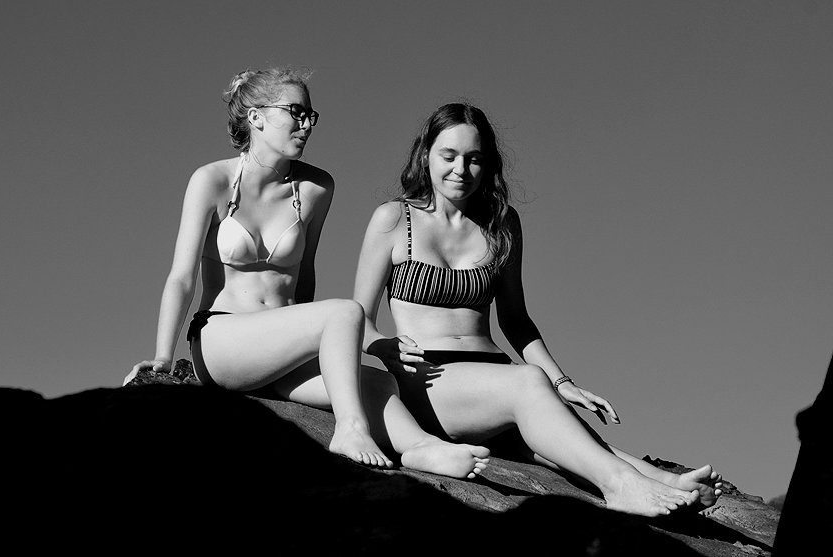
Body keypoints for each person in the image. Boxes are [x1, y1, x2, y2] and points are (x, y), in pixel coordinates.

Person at [353, 102, 723, 516]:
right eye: (449, 156)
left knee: (566, 439)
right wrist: (383, 347)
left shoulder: (501, 223)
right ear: (426, 156)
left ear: (488, 164)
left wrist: (562, 383)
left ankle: (666, 483)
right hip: (428, 380)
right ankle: (620, 488)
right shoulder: (394, 219)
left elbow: (516, 320)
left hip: (494, 377)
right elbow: (359, 319)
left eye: (474, 159)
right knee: (529, 384)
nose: (461, 169)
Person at [124, 69, 489, 479]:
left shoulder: (317, 188)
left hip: (279, 354)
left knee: (374, 383)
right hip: (223, 341)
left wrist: (317, 351)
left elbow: (305, 274)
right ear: (256, 117)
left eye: (311, 115)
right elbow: (181, 277)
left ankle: (423, 448)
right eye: (295, 112)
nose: (306, 124)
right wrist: (162, 357)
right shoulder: (212, 181)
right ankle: (350, 431)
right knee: (346, 312)